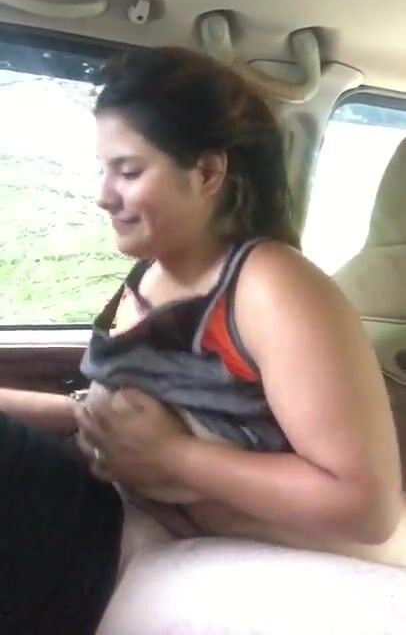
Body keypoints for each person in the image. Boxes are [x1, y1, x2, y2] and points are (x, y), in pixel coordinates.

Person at [0, 46, 404, 634]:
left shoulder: (270, 284)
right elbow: (120, 421)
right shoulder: (151, 275)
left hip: (203, 546)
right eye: (103, 170)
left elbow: (366, 507)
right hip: (128, 515)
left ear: (209, 173)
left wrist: (174, 459)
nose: (103, 195)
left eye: (128, 171)